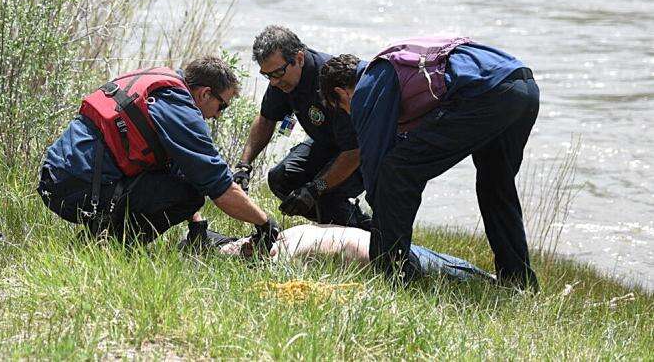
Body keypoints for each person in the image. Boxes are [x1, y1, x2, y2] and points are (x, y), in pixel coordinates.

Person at [319, 36, 540, 290]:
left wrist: (379, 210)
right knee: (496, 188)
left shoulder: (369, 83)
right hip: (522, 87)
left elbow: (375, 161)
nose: (350, 114)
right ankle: (518, 282)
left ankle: (394, 274)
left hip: (487, 93)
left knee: (397, 172)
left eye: (342, 109)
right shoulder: (394, 69)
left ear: (340, 93)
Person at [37, 56, 280, 248]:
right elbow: (220, 187)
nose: (218, 115)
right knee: (190, 194)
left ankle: (100, 235)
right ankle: (108, 244)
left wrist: (197, 227)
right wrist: (265, 223)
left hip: (58, 178)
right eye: (222, 106)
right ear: (205, 93)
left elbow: (181, 168)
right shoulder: (180, 110)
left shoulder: (164, 89)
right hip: (76, 190)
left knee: (183, 185)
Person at [232, 25, 371, 229]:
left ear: (298, 58)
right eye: (267, 75)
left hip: (361, 153)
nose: (274, 81)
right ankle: (342, 222)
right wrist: (244, 166)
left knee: (324, 195)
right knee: (281, 179)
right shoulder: (280, 79)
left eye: (278, 73)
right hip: (326, 143)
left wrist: (315, 189)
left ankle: (364, 231)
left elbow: (353, 152)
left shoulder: (331, 80)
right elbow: (266, 120)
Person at [206, 223, 494, 283]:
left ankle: (499, 283)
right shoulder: (291, 234)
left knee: (458, 274)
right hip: (384, 248)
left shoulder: (286, 246)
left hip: (386, 256)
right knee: (450, 267)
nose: (239, 247)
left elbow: (282, 280)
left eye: (235, 246)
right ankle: (498, 281)